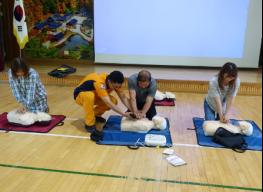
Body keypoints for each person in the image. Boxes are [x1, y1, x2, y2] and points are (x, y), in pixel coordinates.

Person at [74, 71, 131, 141]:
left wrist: (132, 110)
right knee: (89, 96)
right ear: (109, 81)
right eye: (115, 86)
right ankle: (89, 123)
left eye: (118, 87)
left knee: (113, 101)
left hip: (96, 95)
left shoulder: (115, 82)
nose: (116, 88)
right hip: (80, 96)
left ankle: (95, 115)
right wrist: (123, 114)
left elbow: (123, 97)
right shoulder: (100, 82)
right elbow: (107, 102)